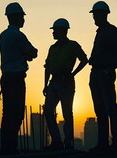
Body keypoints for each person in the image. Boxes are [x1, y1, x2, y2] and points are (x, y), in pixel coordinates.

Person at [88, 1, 117, 154]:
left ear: (102, 15)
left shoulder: (111, 31)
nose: (94, 18)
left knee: (111, 109)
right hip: (97, 74)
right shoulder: (101, 32)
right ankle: (103, 143)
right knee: (100, 111)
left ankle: (115, 144)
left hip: (104, 74)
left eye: (95, 15)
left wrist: (110, 67)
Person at [0, 2, 38, 154]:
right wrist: (29, 53)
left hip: (6, 78)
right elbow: (32, 53)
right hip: (16, 79)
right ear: (14, 17)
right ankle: (11, 149)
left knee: (7, 113)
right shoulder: (18, 35)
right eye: (22, 16)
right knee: (16, 114)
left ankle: (6, 147)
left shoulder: (3, 35)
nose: (23, 19)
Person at [43, 18, 88, 150]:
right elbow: (47, 67)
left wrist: (73, 74)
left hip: (66, 82)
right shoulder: (52, 48)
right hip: (54, 82)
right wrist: (45, 85)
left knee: (67, 113)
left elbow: (84, 60)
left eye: (55, 30)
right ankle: (57, 141)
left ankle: (68, 143)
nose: (53, 33)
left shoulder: (73, 45)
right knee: (48, 110)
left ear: (63, 31)